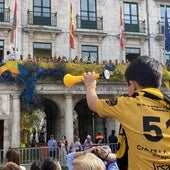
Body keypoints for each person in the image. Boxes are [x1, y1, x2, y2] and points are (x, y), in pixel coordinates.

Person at [83, 55, 170, 169]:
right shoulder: (167, 104)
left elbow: (93, 104)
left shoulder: (128, 104)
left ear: (132, 85)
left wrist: (90, 85)